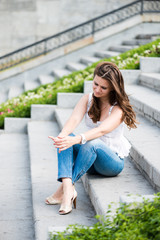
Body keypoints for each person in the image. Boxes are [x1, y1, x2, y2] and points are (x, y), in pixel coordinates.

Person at [45, 61, 137, 215]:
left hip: (110, 163)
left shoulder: (118, 108)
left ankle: (65, 192)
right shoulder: (87, 99)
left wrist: (76, 139)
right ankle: (68, 189)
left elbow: (101, 130)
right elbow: (73, 120)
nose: (97, 89)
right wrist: (61, 137)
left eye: (103, 87)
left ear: (112, 88)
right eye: (95, 84)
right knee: (66, 137)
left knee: (91, 142)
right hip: (89, 160)